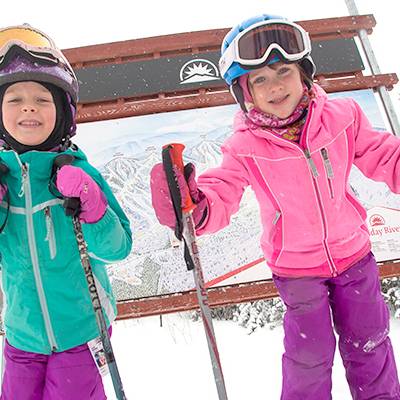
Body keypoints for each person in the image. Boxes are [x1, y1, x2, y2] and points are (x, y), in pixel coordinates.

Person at [150, 14, 400, 400]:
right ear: (244, 92)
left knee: (370, 343)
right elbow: (223, 191)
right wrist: (194, 208)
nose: (274, 85)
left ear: (304, 73)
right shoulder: (245, 145)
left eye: (282, 70)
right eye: (259, 79)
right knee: (309, 355)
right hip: (296, 268)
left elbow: (382, 155)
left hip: (354, 256)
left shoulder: (343, 117)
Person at [0, 25, 132, 399]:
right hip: (21, 337)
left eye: (42, 99)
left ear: (62, 113)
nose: (28, 107)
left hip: (80, 331)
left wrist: (92, 205)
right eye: (14, 99)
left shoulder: (76, 172)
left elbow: (117, 248)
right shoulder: (3, 180)